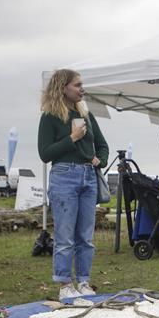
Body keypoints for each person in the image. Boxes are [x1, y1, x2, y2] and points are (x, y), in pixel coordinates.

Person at [38, 69, 109, 300]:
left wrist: (101, 159)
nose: (82, 88)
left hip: (88, 176)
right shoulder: (50, 116)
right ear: (63, 87)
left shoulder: (86, 114)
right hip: (64, 175)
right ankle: (65, 284)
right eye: (77, 85)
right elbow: (45, 153)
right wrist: (72, 139)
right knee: (65, 235)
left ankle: (84, 280)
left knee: (85, 236)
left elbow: (102, 145)